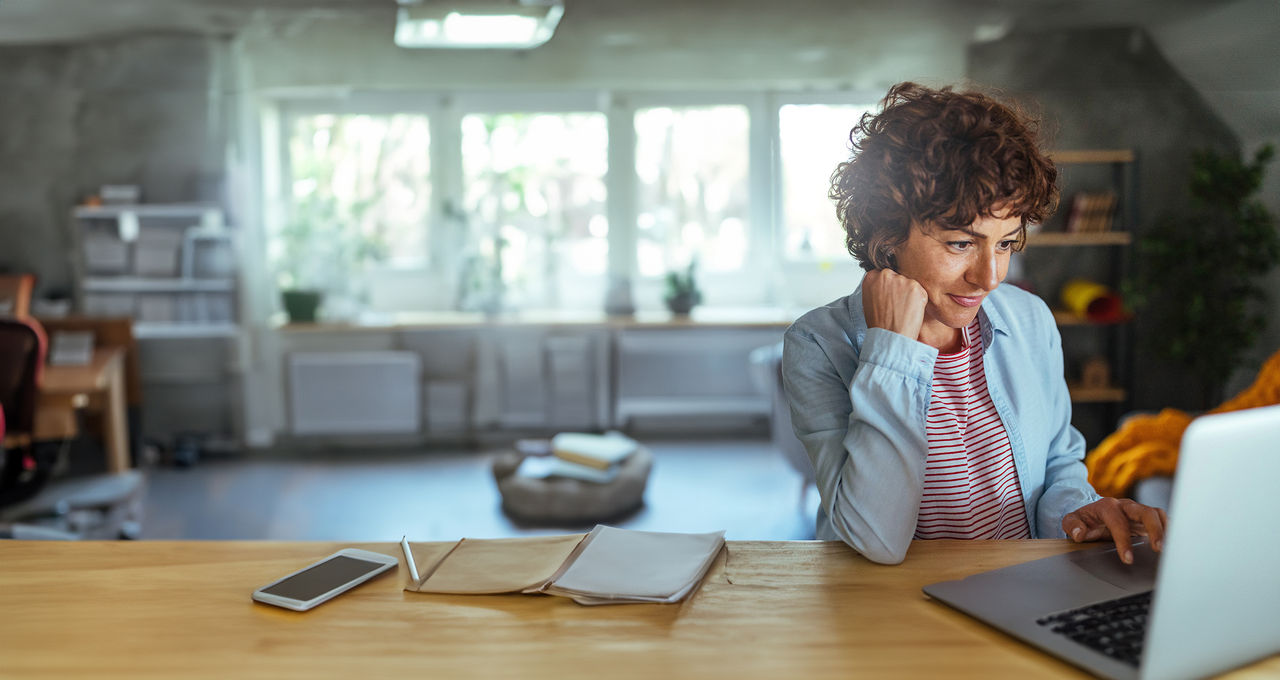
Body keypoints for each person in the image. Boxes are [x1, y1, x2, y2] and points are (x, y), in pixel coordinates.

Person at [781, 82, 1167, 565]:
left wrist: (1077, 513)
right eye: (961, 243)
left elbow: (1058, 464)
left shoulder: (1030, 320)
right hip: (892, 603)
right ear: (887, 231)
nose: (990, 277)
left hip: (1022, 589)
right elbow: (874, 538)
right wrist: (891, 350)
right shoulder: (818, 344)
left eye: (1005, 243)